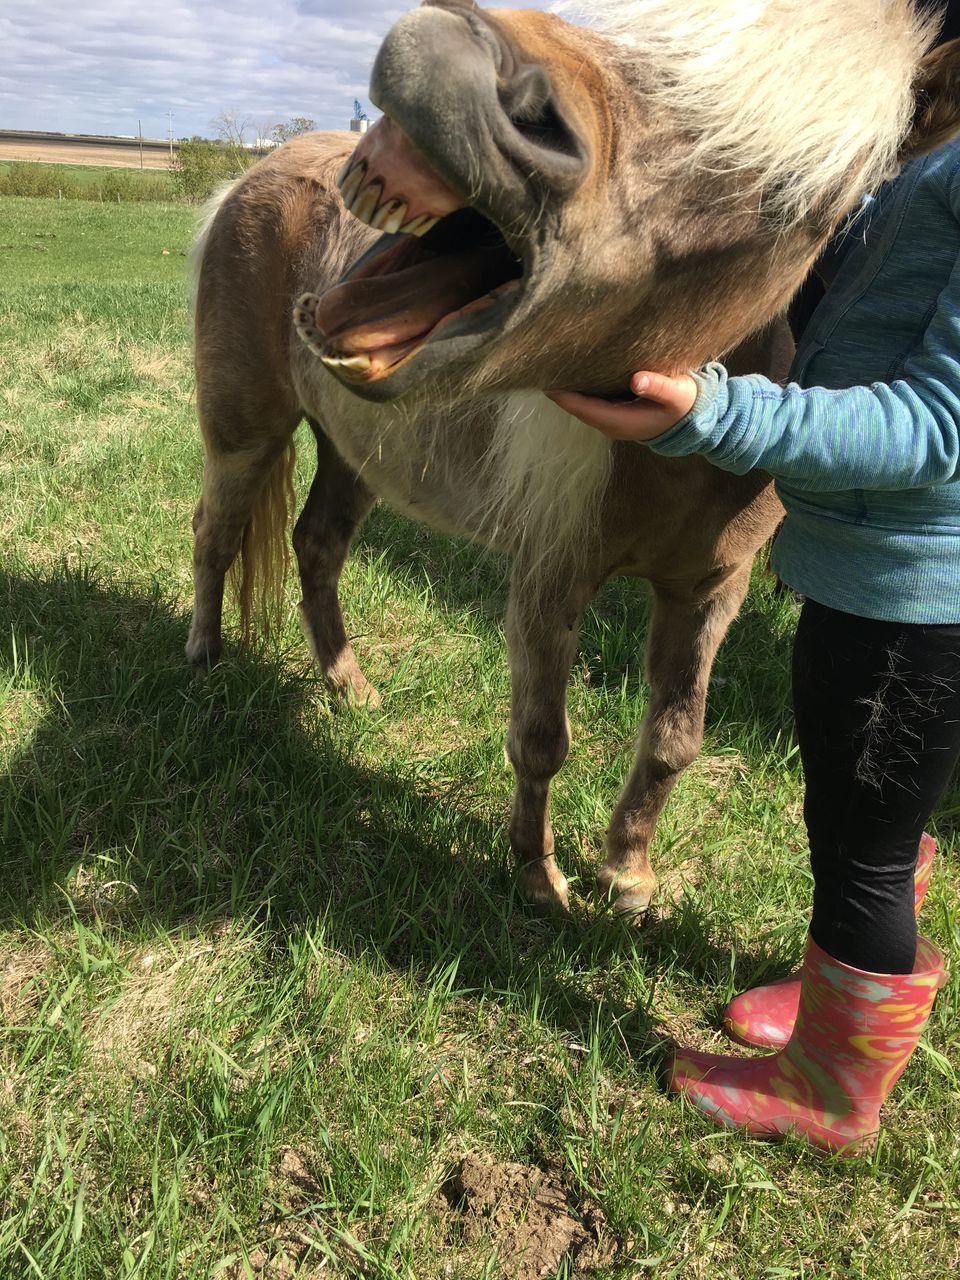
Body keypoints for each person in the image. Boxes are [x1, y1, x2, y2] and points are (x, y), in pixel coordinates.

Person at [549, 120, 960, 1153]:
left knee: (862, 847)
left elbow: (937, 429)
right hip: (878, 565)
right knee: (876, 818)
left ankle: (830, 1091)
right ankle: (836, 992)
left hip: (913, 593)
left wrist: (714, 413)